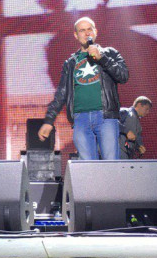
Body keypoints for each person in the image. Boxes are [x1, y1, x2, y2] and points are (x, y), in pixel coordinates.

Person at [38, 17, 128, 160]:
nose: (87, 33)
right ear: (76, 35)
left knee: (111, 164)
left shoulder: (110, 53)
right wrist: (49, 121)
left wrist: (102, 58)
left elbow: (123, 76)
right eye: (82, 30)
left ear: (95, 32)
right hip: (80, 119)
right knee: (87, 167)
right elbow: (61, 94)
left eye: (89, 29)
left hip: (106, 116)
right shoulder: (71, 63)